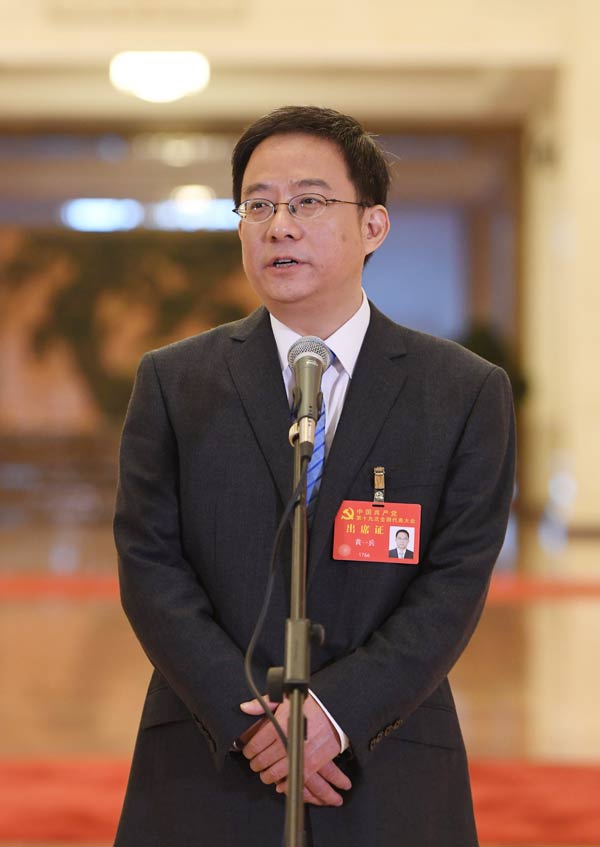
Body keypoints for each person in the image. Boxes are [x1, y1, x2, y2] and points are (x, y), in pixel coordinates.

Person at [113, 105, 516, 847]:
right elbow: (148, 563)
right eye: (259, 205)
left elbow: (456, 580)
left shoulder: (461, 391)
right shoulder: (175, 382)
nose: (280, 226)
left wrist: (336, 712)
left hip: (384, 757)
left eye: (308, 202)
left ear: (374, 225)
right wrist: (250, 721)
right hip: (211, 753)